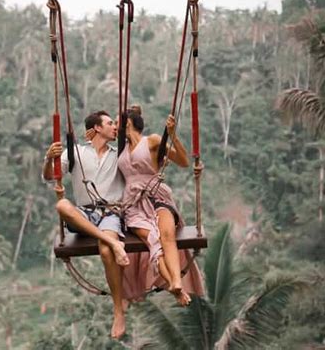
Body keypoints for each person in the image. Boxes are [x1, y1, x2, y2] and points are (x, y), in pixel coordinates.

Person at [42, 110, 129, 339]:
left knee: (105, 251)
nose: (114, 127)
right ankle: (112, 241)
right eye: (110, 124)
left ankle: (118, 311)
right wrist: (49, 158)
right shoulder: (77, 152)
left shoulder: (118, 153)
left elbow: (138, 145)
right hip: (86, 214)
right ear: (97, 128)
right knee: (62, 206)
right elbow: (50, 175)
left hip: (111, 213)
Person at [117, 105, 205, 305]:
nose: (116, 126)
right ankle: (174, 285)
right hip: (133, 204)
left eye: (118, 122)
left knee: (166, 235)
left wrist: (172, 135)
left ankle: (176, 280)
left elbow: (182, 161)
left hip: (156, 195)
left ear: (128, 123)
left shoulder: (153, 140)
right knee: (152, 240)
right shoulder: (121, 148)